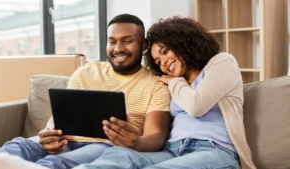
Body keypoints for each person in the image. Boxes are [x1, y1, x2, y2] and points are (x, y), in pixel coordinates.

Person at [74, 16, 256, 169]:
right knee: (119, 156)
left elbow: (196, 106)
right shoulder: (170, 82)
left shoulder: (222, 62)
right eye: (158, 61)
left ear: (184, 43)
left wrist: (175, 81)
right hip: (172, 150)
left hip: (214, 151)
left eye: (166, 52)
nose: (164, 63)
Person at [0, 14, 172, 169]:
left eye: (127, 41)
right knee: (15, 147)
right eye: (112, 41)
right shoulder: (86, 71)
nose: (118, 48)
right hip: (65, 140)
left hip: (105, 145)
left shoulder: (155, 84)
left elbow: (156, 136)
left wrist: (136, 141)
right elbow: (60, 114)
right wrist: (50, 132)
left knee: (54, 164)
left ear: (143, 45)